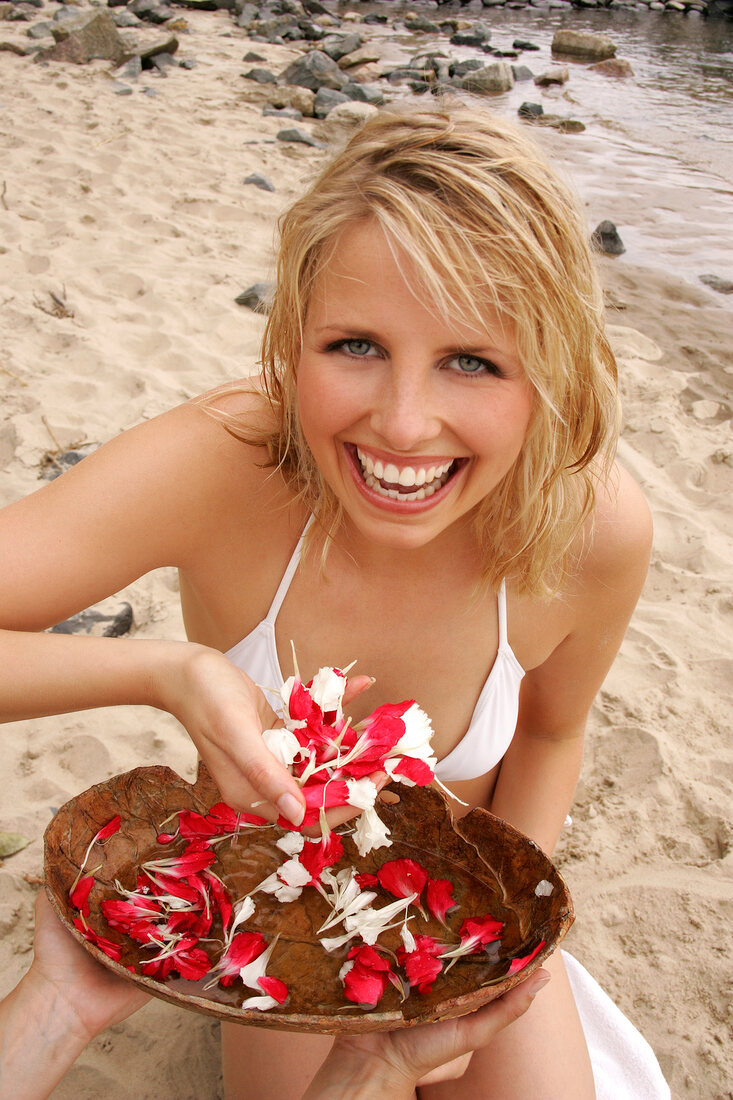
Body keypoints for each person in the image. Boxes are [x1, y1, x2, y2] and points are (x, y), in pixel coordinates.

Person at [0, 103, 655, 1099]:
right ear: (293, 337)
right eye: (355, 345)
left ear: (548, 373)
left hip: (451, 899)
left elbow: (552, 736)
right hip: (276, 902)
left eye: (472, 360)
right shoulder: (224, 465)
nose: (401, 422)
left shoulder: (593, 529)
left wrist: (493, 919)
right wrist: (166, 669)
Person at [0, 892, 550, 1100]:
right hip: (280, 910)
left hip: (449, 920)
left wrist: (58, 1003)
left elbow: (549, 738)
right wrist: (380, 1066)